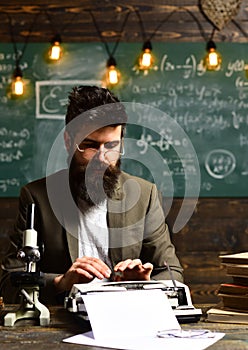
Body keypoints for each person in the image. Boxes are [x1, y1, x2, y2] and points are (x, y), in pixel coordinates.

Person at [0, 86, 183, 305]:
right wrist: (61, 282)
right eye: (90, 146)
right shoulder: (37, 197)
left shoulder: (145, 196)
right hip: (62, 325)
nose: (103, 158)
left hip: (128, 316)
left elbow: (172, 275)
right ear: (69, 142)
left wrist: (143, 285)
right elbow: (8, 282)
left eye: (112, 145)